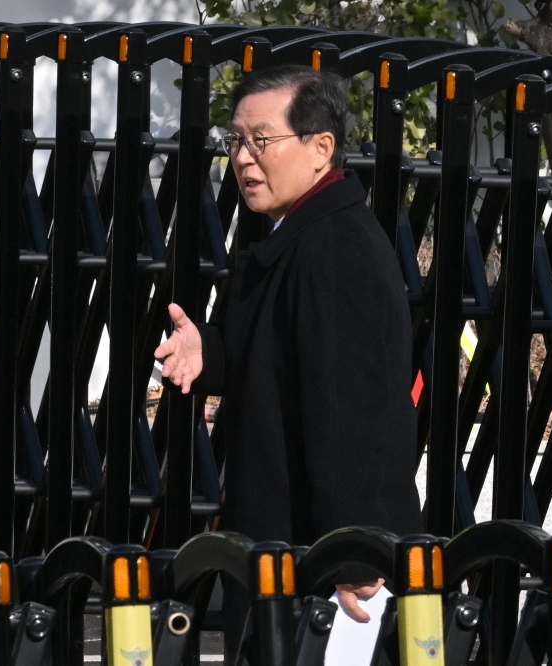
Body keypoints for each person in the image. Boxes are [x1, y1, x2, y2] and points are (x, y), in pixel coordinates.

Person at [153, 65, 423, 662]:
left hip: (325, 568)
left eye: (262, 141)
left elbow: (349, 412)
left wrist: (353, 551)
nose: (244, 159)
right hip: (292, 554)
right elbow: (274, 361)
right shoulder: (295, 237)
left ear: (321, 147)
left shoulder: (334, 250)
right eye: (236, 141)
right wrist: (209, 351)